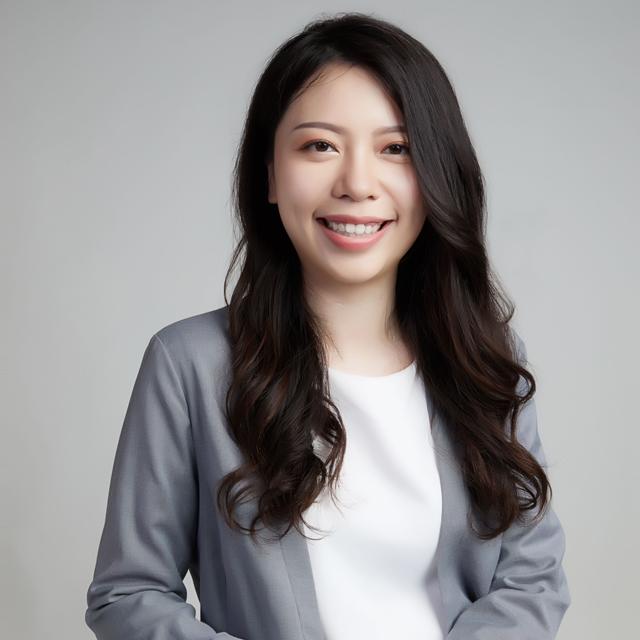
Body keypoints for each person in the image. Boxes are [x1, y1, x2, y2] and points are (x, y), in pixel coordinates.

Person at [85, 11, 571, 640]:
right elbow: (128, 594)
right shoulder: (191, 364)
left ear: (436, 177)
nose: (357, 184)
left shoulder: (484, 358)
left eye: (396, 149)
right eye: (320, 145)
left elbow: (532, 581)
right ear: (269, 173)